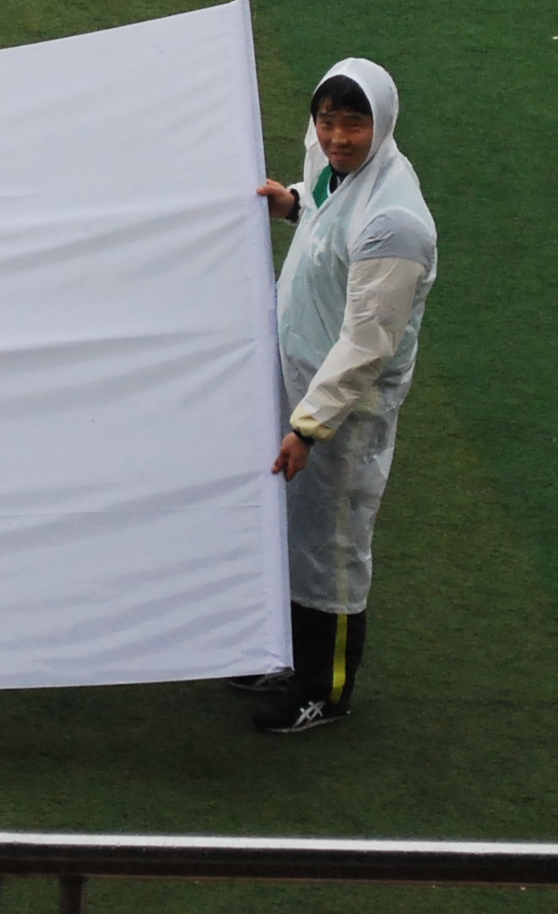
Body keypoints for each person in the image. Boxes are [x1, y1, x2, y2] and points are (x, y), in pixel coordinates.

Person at [245, 57, 439, 734]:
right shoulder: (336, 170)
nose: (336, 137)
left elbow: (367, 344)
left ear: (381, 125)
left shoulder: (396, 224)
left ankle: (325, 690)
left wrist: (309, 426)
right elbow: (327, 212)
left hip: (343, 415)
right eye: (327, 120)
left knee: (330, 544)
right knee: (289, 529)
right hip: (299, 383)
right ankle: (284, 655)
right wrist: (293, 204)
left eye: (353, 123)